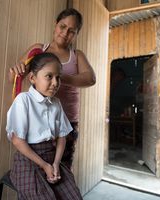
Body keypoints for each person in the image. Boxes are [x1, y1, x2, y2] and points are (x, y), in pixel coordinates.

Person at [9, 8, 96, 170]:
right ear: (55, 25)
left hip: (67, 120)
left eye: (72, 31)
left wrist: (59, 76)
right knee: (38, 167)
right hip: (37, 119)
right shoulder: (38, 50)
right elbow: (14, 79)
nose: (65, 33)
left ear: (76, 34)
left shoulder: (77, 55)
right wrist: (17, 69)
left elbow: (90, 78)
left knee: (62, 168)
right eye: (62, 26)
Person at [6, 52, 83, 199]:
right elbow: (17, 140)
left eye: (58, 77)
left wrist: (55, 163)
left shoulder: (56, 103)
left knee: (72, 195)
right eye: (49, 76)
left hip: (52, 157)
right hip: (28, 160)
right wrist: (44, 165)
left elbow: (62, 137)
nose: (55, 83)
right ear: (32, 78)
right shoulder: (23, 100)